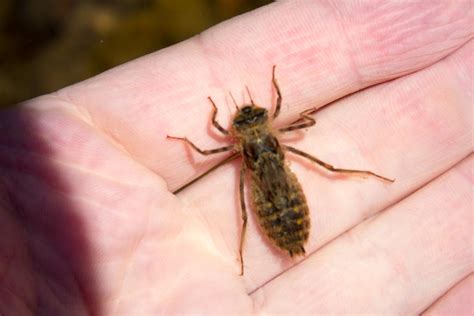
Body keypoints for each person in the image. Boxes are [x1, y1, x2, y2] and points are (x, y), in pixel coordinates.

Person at [0, 1, 472, 315]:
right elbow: (217, 143)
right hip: (279, 196)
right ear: (262, 127)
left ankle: (348, 185)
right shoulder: (271, 131)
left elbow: (208, 145)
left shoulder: (244, 139)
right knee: (281, 191)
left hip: (275, 198)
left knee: (285, 190)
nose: (250, 118)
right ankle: (282, 228)